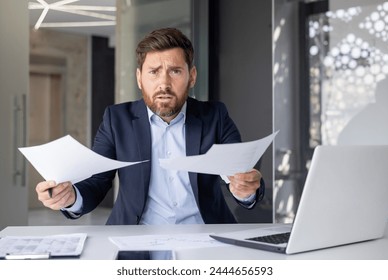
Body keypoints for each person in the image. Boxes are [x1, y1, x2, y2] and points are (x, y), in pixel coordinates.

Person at [35, 27, 265, 225]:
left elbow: (240, 172)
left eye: (175, 71)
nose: (164, 83)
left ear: (192, 76)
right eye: (154, 72)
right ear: (139, 78)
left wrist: (246, 190)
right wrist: (70, 198)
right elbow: (97, 182)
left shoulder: (215, 115)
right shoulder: (117, 119)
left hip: (206, 235)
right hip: (135, 239)